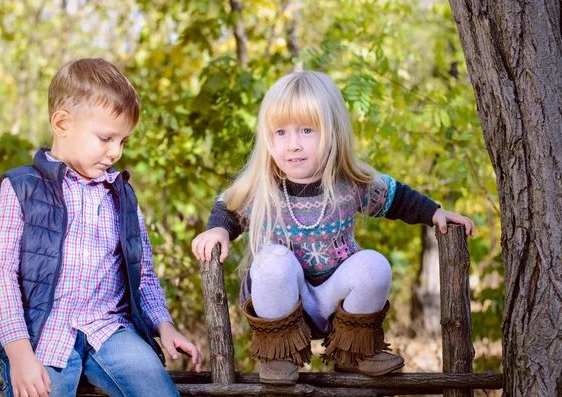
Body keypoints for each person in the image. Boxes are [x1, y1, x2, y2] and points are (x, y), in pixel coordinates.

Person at [191, 70, 474, 384]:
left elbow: (398, 199)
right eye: (280, 132)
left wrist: (434, 212)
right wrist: (218, 230)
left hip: (335, 302)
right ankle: (278, 357)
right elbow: (228, 205)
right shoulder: (263, 189)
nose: (293, 144)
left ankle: (356, 352)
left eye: (307, 130)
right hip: (281, 299)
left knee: (374, 265)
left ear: (333, 131)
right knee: (272, 261)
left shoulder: (349, 184)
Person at [0, 58, 202, 397]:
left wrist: (165, 326)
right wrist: (19, 354)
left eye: (123, 141)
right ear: (62, 123)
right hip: (41, 334)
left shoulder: (122, 195)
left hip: (110, 329)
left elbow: (141, 272)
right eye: (105, 138)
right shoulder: (21, 187)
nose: (115, 151)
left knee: (158, 391)